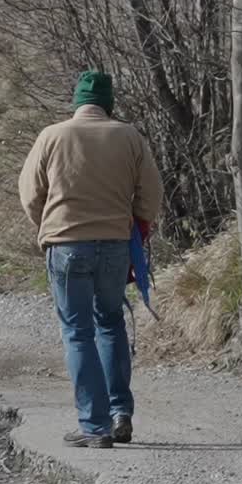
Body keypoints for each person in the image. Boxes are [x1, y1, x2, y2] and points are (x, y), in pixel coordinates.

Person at [19, 71, 163, 448]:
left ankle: (94, 426)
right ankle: (120, 414)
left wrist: (49, 225)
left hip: (66, 246)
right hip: (115, 245)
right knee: (111, 323)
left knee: (77, 332)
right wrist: (137, 228)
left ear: (77, 102)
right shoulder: (129, 136)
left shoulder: (52, 136)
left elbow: (30, 194)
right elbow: (151, 194)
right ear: (108, 102)